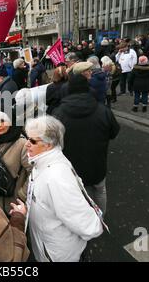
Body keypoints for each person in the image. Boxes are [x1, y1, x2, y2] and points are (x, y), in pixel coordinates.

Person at [23, 116, 103, 262]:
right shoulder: (42, 162)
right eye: (27, 138)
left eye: (33, 141)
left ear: (48, 144)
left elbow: (88, 225)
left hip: (58, 255)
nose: (26, 144)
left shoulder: (57, 177)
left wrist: (95, 224)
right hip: (49, 248)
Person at [53, 74, 120, 214]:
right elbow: (114, 132)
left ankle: (85, 219)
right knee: (100, 190)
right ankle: (100, 218)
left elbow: (53, 142)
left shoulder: (58, 113)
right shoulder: (103, 111)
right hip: (97, 162)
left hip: (72, 166)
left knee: (79, 194)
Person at [0, 111, 32, 213]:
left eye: (3, 121)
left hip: (14, 204)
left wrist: (22, 193)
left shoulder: (22, 143)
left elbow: (32, 171)